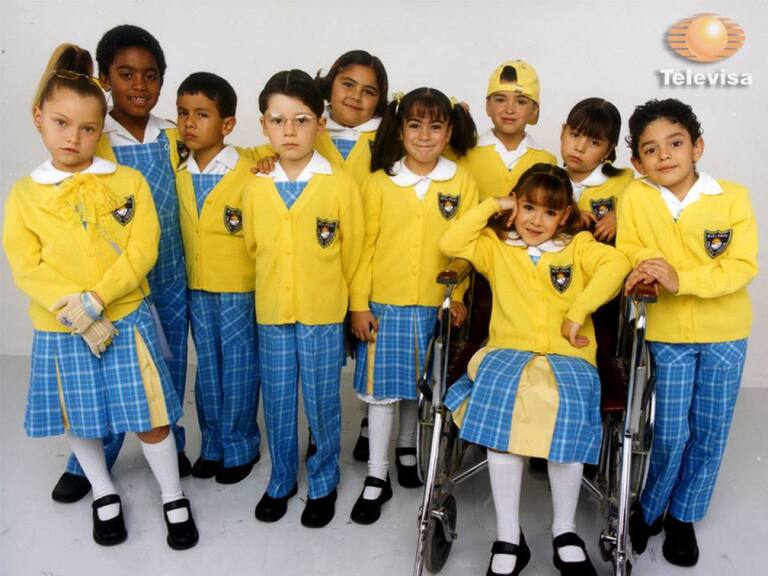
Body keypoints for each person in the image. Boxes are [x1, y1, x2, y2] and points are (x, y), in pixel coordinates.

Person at [2, 44, 198, 549]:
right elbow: (27, 265)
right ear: (39, 118)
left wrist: (98, 298)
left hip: (125, 317)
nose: (74, 137)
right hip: (62, 326)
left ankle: (172, 494)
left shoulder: (127, 181)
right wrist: (76, 310)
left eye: (88, 128)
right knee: (81, 415)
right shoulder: (24, 194)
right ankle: (103, 491)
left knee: (150, 412)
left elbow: (142, 248)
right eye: (61, 124)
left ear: (100, 128)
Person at [440, 164, 630, 575]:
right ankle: (509, 535)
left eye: (549, 212)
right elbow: (450, 241)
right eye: (528, 207)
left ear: (564, 216)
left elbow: (616, 266)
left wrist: (578, 311)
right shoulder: (496, 246)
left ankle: (565, 531)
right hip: (508, 350)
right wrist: (495, 204)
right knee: (501, 404)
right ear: (515, 206)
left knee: (570, 406)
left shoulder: (578, 246)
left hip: (569, 354)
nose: (536, 220)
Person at [52, 24, 191, 503]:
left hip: (170, 270)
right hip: (114, 280)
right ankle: (91, 461)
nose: (139, 85)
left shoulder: (172, 136)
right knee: (107, 366)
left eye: (150, 75)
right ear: (105, 78)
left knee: (168, 363)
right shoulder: (94, 135)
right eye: (126, 74)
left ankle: (170, 444)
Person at [619, 98, 757, 567]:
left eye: (675, 143)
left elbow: (741, 265)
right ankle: (651, 507)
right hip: (668, 332)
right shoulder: (636, 197)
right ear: (638, 162)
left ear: (697, 146)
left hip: (725, 331)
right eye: (651, 150)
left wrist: (682, 279)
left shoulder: (731, 197)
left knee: (710, 430)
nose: (665, 156)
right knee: (669, 432)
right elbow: (632, 246)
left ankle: (683, 516)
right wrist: (646, 265)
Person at [348, 87, 478, 524]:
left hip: (434, 305)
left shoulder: (462, 181)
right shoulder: (379, 182)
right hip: (384, 303)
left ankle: (407, 449)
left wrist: (457, 296)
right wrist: (359, 304)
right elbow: (363, 248)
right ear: (401, 130)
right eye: (415, 125)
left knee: (416, 385)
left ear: (449, 132)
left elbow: (467, 248)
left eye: (435, 126)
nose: (425, 136)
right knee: (383, 391)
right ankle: (376, 474)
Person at [243, 69, 364, 528]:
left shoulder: (339, 184)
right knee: (277, 399)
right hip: (272, 311)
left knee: (321, 400)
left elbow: (353, 254)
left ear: (320, 124)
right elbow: (253, 245)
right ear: (264, 125)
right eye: (277, 120)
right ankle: (280, 479)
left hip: (322, 313)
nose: (289, 131)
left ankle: (324, 480)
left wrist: (351, 305)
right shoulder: (256, 184)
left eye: (301, 120)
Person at [175, 72, 261, 484]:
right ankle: (212, 443)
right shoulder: (179, 171)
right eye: (183, 113)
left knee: (239, 368)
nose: (189, 123)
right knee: (207, 368)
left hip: (238, 290)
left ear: (227, 124)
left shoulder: (249, 169)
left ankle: (240, 444)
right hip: (196, 288)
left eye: (202, 114)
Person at [459, 60, 557, 351]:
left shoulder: (546, 159)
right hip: (479, 261)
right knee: (474, 334)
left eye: (521, 101)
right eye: (500, 99)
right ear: (487, 107)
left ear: (534, 111)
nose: (509, 109)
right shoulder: (465, 152)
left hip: (525, 268)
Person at [560, 97, 636, 429]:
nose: (579, 147)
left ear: (609, 150)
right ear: (563, 132)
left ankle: (588, 427)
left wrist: (623, 215)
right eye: (575, 135)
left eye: (594, 142)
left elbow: (653, 206)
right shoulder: (548, 177)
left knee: (598, 352)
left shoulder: (624, 182)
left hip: (602, 296)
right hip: (552, 285)